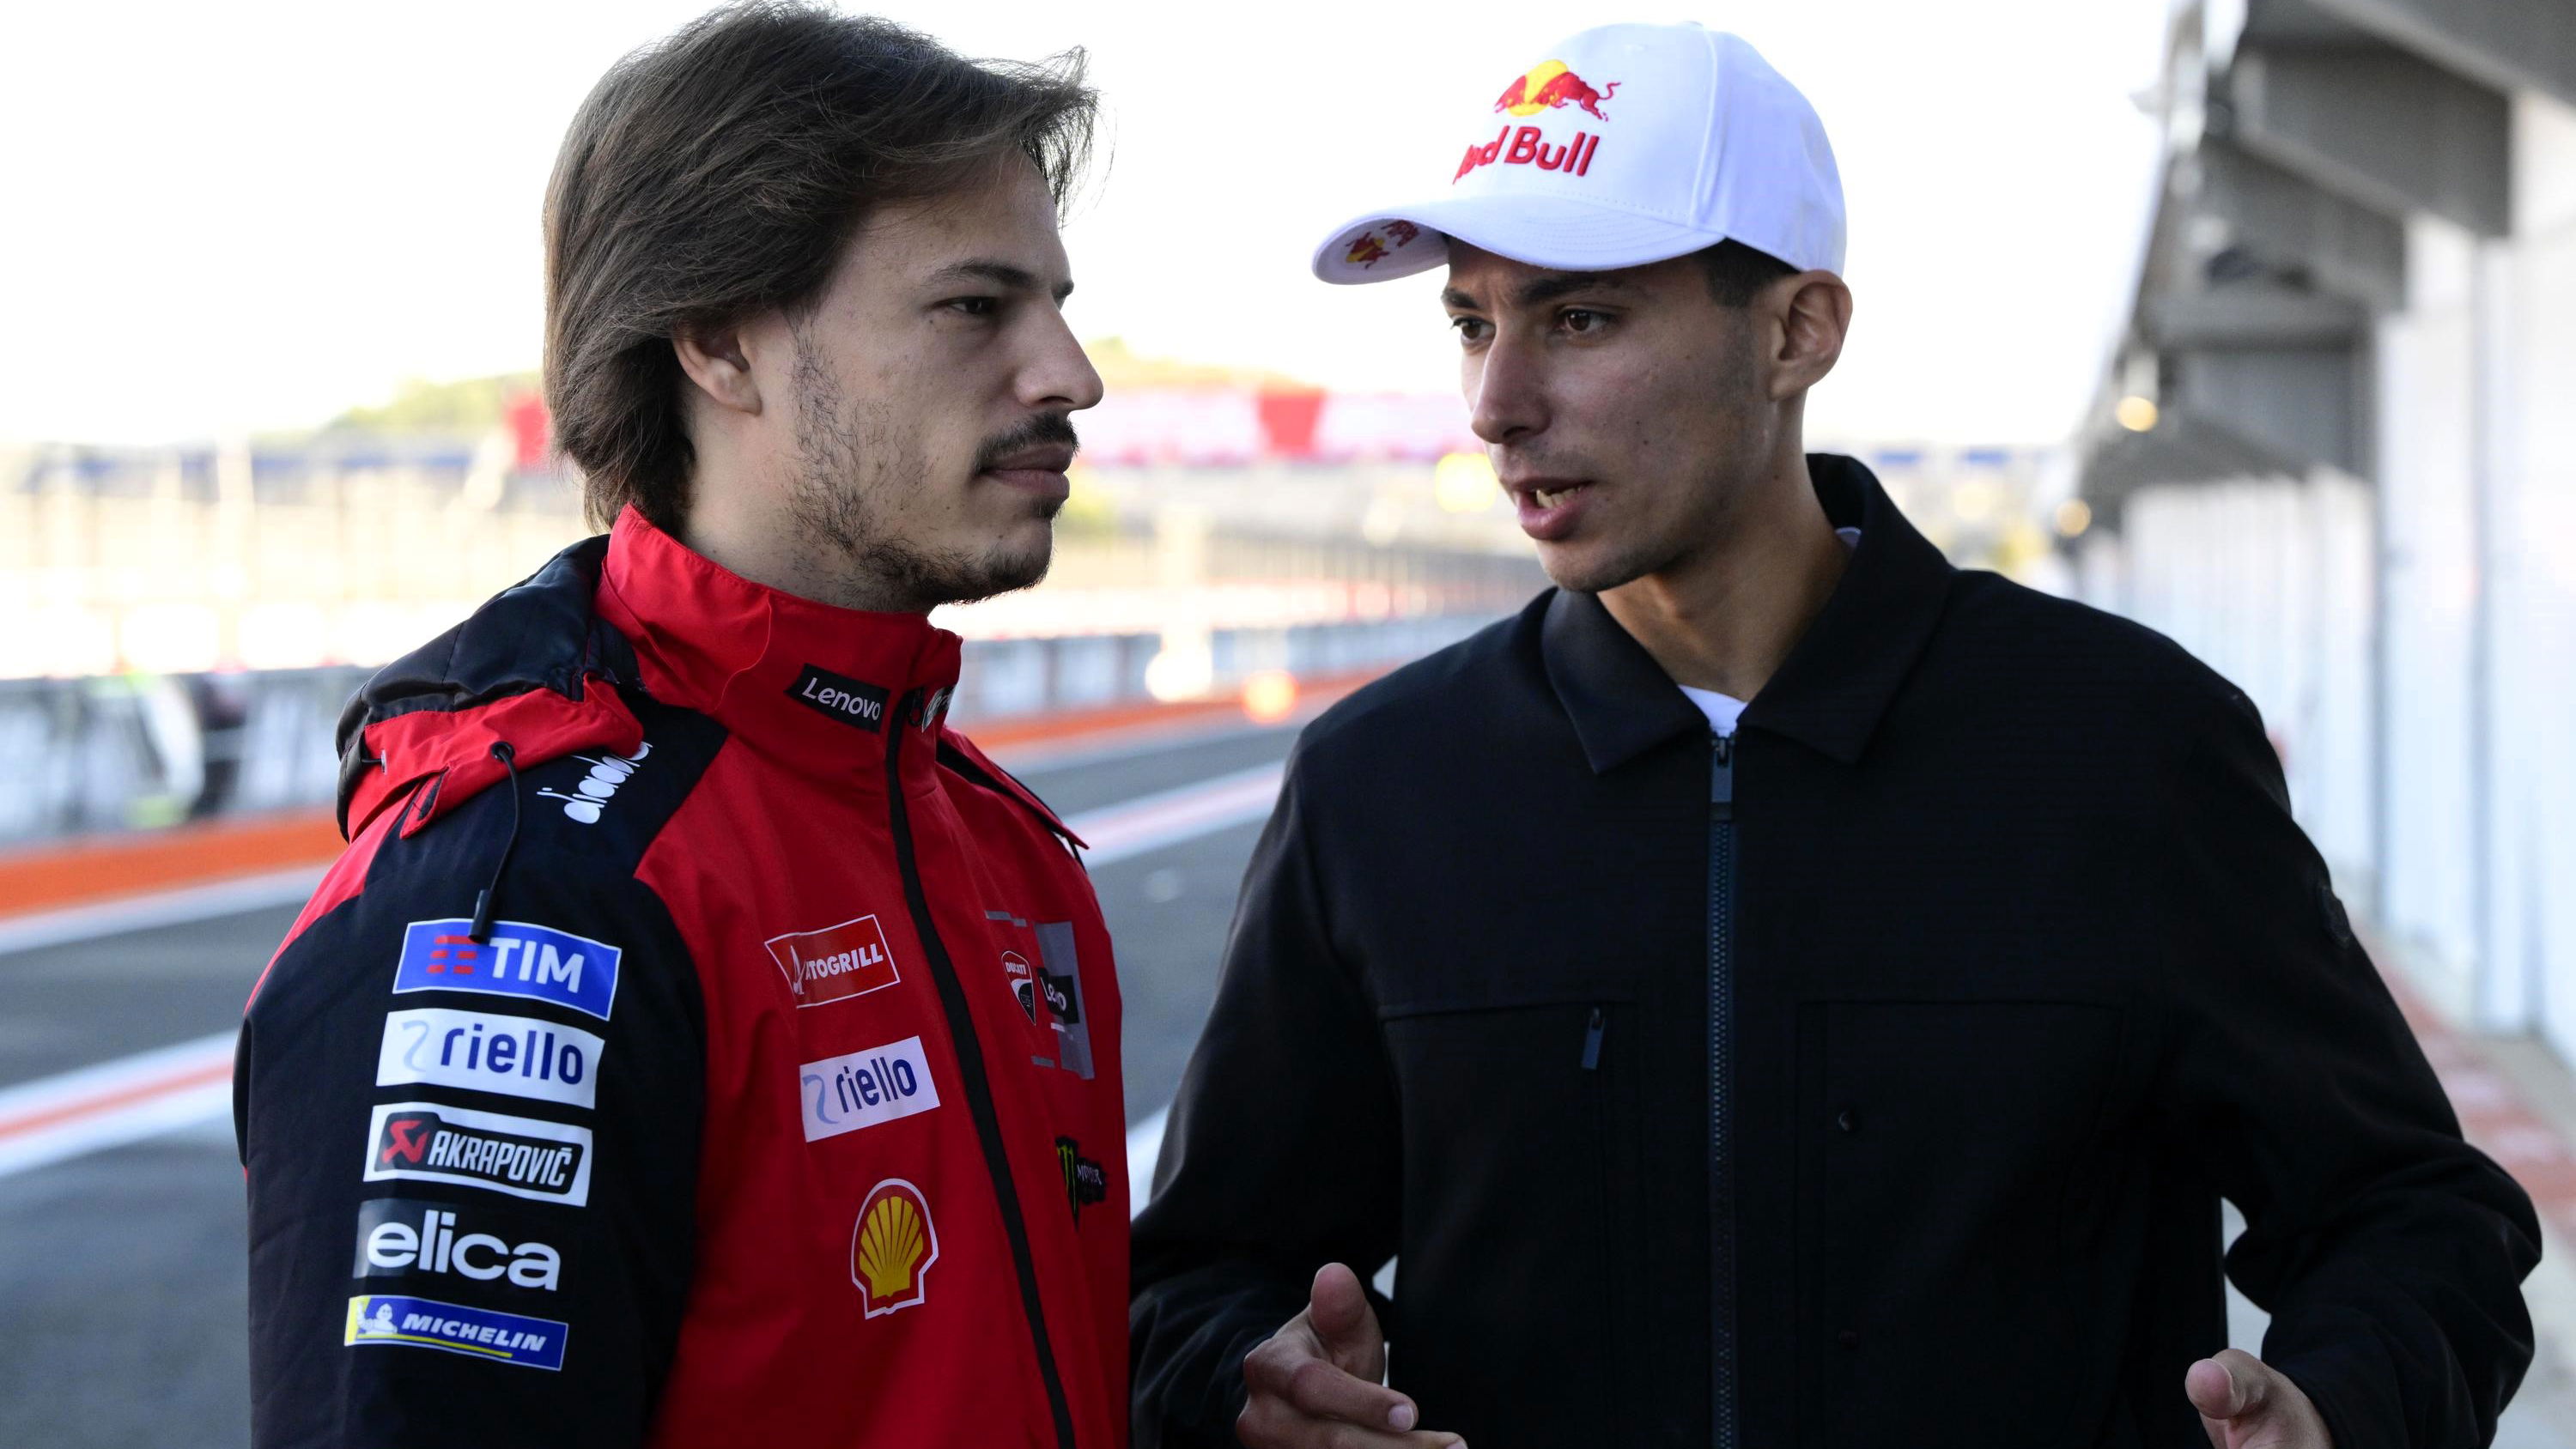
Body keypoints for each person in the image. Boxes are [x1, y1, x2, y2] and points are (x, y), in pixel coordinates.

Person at [1130, 21, 2539, 1449]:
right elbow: (1197, 1280)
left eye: (1582, 319)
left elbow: (2415, 1217)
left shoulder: (2127, 749)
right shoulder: (1384, 785)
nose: (1497, 406)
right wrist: (1249, 1389)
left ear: (1796, 332)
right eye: (1473, 324)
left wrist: (2339, 1407)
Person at [234, 7, 1129, 1446]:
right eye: (978, 306)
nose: (1070, 375)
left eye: (1057, 305)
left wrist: (1213, 1390)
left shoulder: (997, 843)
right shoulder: (526, 894)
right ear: (719, 343)